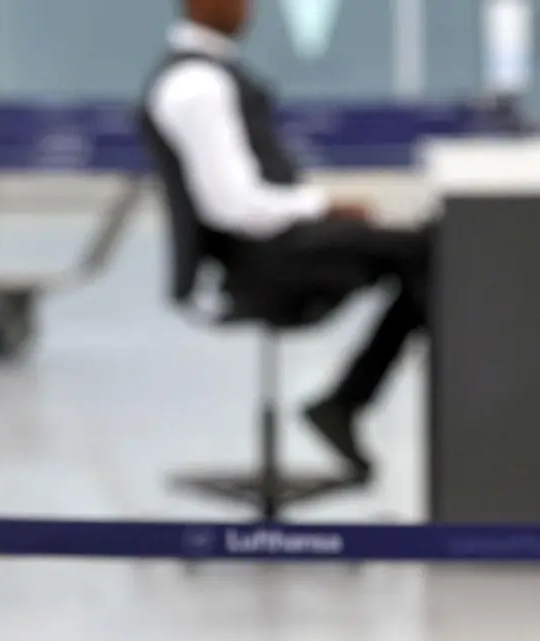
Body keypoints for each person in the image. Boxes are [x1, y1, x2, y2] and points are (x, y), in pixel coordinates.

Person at [138, 0, 435, 483]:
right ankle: (347, 401)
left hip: (269, 244)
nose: (249, 9)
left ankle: (347, 401)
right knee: (427, 250)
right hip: (259, 262)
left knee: (423, 246)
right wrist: (320, 205)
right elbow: (233, 205)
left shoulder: (215, 74)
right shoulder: (198, 85)